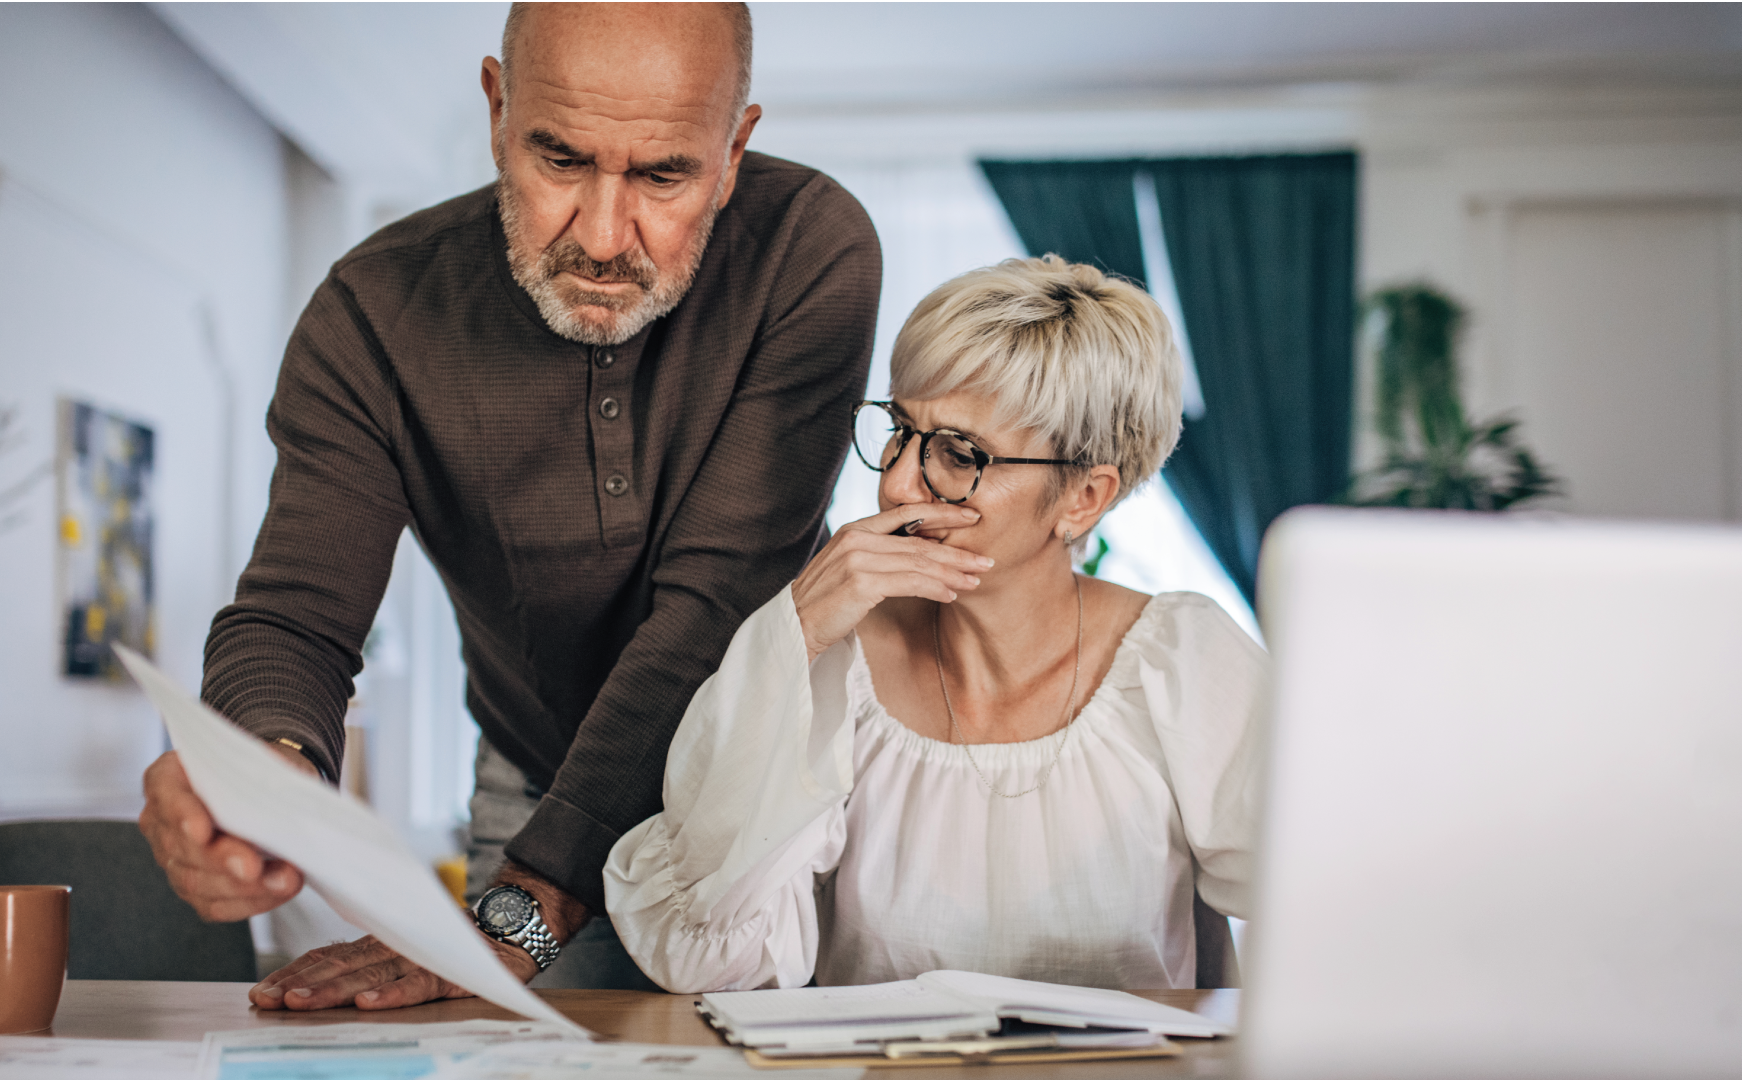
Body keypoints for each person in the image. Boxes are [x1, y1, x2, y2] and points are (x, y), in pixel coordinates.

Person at [134, 1, 881, 1007]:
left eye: (665, 175)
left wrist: (533, 900)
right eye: (561, 160)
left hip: (772, 795)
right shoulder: (373, 314)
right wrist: (265, 777)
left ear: (736, 146)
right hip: (533, 780)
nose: (606, 236)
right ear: (497, 109)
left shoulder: (809, 249)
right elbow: (295, 615)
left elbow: (716, 607)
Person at [603, 256, 1265, 993]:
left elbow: (1344, 910)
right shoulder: (835, 666)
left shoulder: (1183, 663)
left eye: (958, 455)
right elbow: (709, 959)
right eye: (899, 430)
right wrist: (791, 636)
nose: (893, 485)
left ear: (1083, 498)